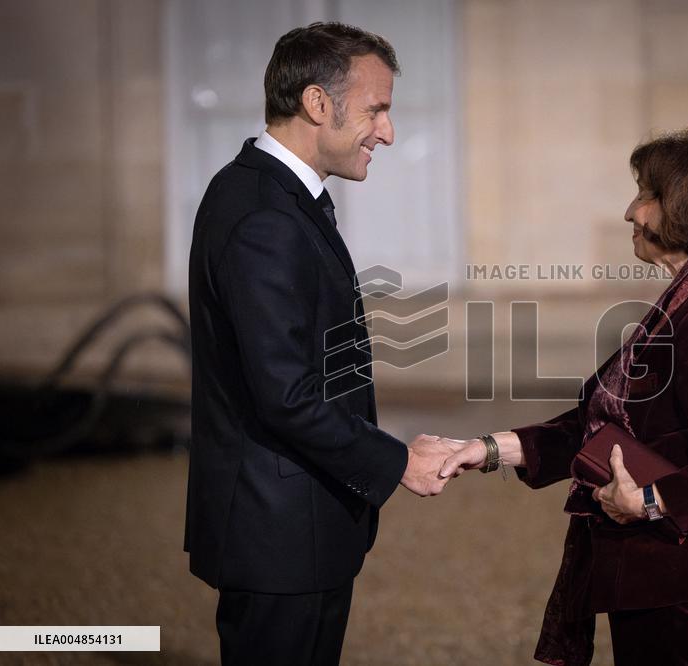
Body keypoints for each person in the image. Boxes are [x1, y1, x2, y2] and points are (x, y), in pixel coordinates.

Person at [442, 127, 688, 666]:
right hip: (668, 571)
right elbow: (602, 427)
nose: (631, 212)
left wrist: (650, 502)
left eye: (646, 195)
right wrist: (487, 449)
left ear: (687, 209)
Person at [185, 22, 456, 665]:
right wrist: (396, 462)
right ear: (317, 103)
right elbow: (285, 395)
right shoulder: (262, 216)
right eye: (377, 109)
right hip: (279, 534)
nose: (387, 132)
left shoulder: (276, 197)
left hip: (298, 526)